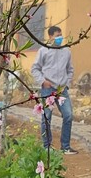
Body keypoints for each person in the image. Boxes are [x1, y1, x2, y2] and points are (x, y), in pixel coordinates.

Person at [30, 25, 77, 154]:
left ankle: (65, 146)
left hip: (62, 90)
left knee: (68, 115)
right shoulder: (43, 51)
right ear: (50, 37)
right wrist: (42, 81)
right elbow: (35, 69)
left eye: (60, 35)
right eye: (57, 36)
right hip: (47, 89)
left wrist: (66, 83)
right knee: (47, 117)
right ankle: (47, 146)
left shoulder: (66, 51)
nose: (59, 38)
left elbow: (70, 70)